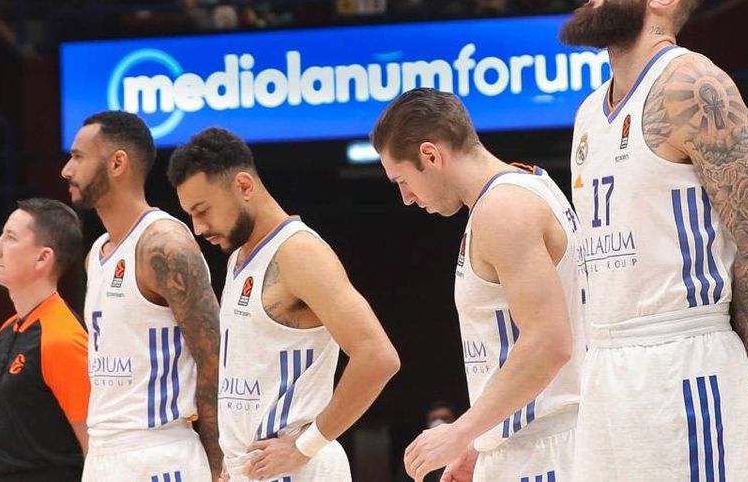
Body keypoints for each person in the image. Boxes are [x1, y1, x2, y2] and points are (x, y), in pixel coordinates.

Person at [562, 0, 748, 479]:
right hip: (604, 362)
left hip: (684, 357)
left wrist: (726, 360)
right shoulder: (589, 112)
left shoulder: (692, 85)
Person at [373, 89, 583, 481]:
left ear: (431, 155)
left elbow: (550, 342)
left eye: (402, 180)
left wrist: (461, 431)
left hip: (543, 453)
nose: (406, 198)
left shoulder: (502, 209)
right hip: (534, 442)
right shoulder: (529, 183)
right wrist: (481, 441)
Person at [167, 127, 399, 481]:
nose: (198, 227)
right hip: (256, 469)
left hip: (298, 467)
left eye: (202, 210)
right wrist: (234, 460)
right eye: (190, 215)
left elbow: (379, 357)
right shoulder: (239, 259)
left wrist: (304, 446)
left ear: (244, 186)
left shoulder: (298, 252)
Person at [62, 111, 221, 480]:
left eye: (79, 157)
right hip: (103, 452)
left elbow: (214, 358)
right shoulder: (96, 253)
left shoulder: (165, 245)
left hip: (158, 453)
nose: (67, 170)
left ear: (118, 163)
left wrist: (218, 464)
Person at [0, 199, 89, 482]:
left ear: (43, 258)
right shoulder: (7, 330)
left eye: (10, 237)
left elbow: (95, 448)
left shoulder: (62, 338)